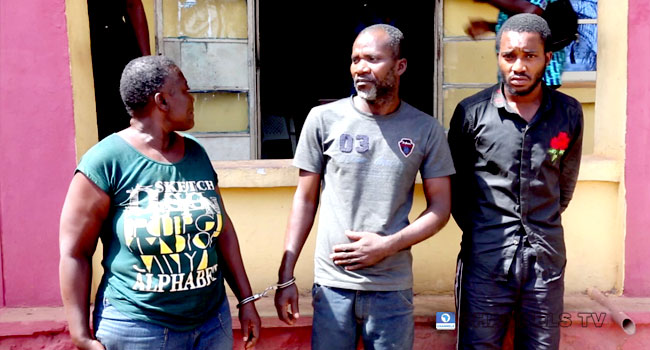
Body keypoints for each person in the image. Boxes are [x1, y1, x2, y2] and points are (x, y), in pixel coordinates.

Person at [59, 55, 261, 350]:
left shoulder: (196, 154)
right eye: (186, 89)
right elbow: (75, 253)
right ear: (162, 101)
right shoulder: (106, 162)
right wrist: (80, 334)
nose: (193, 99)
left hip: (211, 324)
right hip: (138, 328)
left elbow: (223, 230)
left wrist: (246, 300)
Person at [274, 24, 455, 349]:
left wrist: (388, 245)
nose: (360, 68)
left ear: (400, 66)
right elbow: (304, 199)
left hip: (391, 289)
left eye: (372, 59)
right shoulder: (322, 119)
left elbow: (441, 208)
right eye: (356, 59)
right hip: (332, 287)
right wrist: (286, 274)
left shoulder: (426, 129)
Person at [448, 14, 583, 349]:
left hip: (545, 264)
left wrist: (539, 227)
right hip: (485, 264)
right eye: (509, 56)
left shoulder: (568, 113)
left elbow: (563, 186)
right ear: (498, 57)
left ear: (547, 58)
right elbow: (456, 191)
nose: (518, 66)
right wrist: (485, 234)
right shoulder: (471, 113)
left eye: (529, 56)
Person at [465, 0, 567, 88]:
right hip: (520, 72)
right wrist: (489, 26)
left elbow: (531, 11)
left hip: (540, 74)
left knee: (531, 108)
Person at [88, 0, 151, 140]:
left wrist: (146, 59)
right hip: (88, 49)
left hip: (117, 43)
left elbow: (133, 5)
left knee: (126, 109)